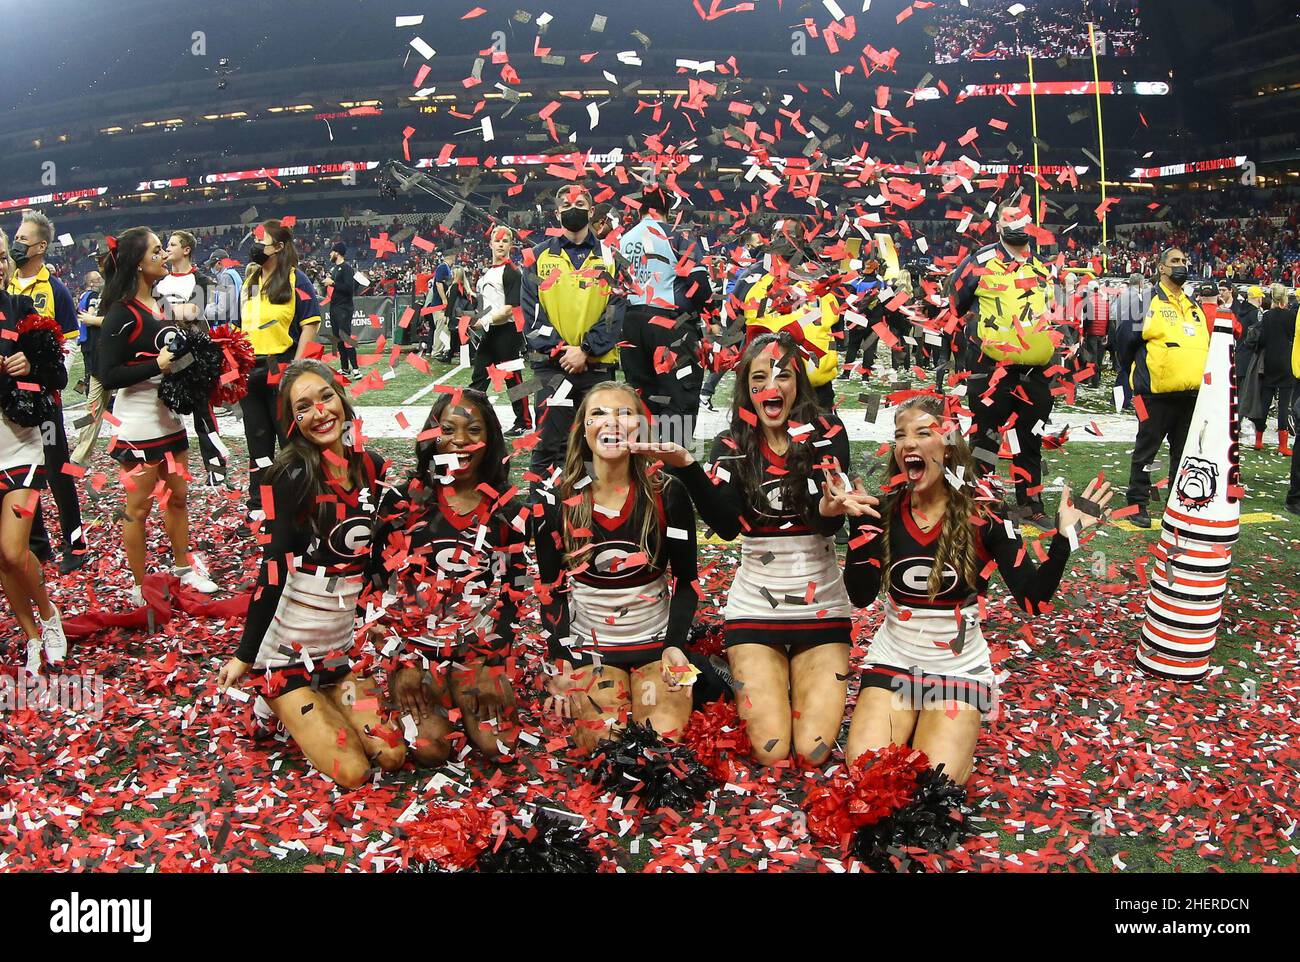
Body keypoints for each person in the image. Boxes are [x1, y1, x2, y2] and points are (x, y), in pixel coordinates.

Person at [839, 394, 1114, 783]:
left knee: (936, 785)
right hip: (893, 661)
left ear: (949, 443)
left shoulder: (987, 514)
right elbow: (861, 596)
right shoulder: (883, 510)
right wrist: (859, 528)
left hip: (959, 669)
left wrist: (1064, 541)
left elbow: (1032, 600)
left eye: (923, 432)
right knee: (868, 776)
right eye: (900, 435)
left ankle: (942, 731)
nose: (908, 444)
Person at [649, 332, 853, 767]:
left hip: (821, 608)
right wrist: (688, 470)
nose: (771, 387)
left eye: (783, 375)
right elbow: (724, 527)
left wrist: (828, 506)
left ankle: (792, 681)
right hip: (756, 610)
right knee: (770, 749)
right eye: (759, 377)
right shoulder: (732, 442)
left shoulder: (829, 432)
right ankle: (752, 676)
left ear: (799, 381)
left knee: (812, 751)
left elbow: (826, 522)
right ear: (747, 389)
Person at [217, 359, 405, 790]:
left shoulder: (372, 467)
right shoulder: (289, 477)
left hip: (338, 651)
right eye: (303, 408)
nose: (319, 413)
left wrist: (377, 616)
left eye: (325, 397)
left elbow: (380, 558)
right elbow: (273, 571)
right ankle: (277, 700)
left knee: (392, 754)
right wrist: (245, 656)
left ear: (341, 398)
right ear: (292, 421)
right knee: (354, 773)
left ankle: (315, 704)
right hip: (287, 654)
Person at [535, 382, 698, 753]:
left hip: (658, 648)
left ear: (642, 426)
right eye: (598, 413)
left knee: (659, 746)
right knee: (606, 747)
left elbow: (687, 582)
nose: (612, 422)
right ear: (583, 429)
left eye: (625, 413)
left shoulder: (668, 494)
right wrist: (560, 659)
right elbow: (551, 588)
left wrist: (675, 645)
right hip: (592, 653)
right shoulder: (556, 501)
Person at [373, 389, 528, 764]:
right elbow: (375, 584)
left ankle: (457, 685)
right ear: (431, 434)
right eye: (448, 429)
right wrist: (400, 659)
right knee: (431, 751)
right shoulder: (403, 500)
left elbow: (513, 590)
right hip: (414, 647)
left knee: (499, 747)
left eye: (473, 430)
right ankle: (426, 686)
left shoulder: (507, 507)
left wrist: (492, 662)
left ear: (489, 438)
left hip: (475, 647)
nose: (460, 441)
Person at [97, 228, 219, 605]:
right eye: (155, 250)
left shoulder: (163, 304)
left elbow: (175, 357)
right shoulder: (120, 312)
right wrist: (158, 365)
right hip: (137, 422)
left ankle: (183, 568)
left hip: (168, 417)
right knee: (138, 508)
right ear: (138, 262)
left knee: (178, 496)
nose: (162, 256)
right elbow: (107, 373)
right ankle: (137, 585)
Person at [949, 199, 1057, 526]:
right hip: (991, 368)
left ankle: (1031, 505)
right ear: (998, 226)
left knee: (1030, 438)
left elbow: (1051, 314)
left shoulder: (1042, 266)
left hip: (1034, 371)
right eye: (1011, 219)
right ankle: (981, 503)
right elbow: (955, 303)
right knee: (986, 437)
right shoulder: (980, 261)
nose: (1019, 224)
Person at [522, 184, 627, 495]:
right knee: (548, 449)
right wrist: (563, 351)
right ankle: (541, 523)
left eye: (580, 203)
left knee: (599, 448)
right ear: (557, 213)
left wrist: (585, 350)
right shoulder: (538, 257)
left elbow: (616, 311)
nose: (573, 208)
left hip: (597, 368)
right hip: (551, 369)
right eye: (566, 204)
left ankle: (594, 519)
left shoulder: (611, 258)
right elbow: (531, 316)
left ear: (591, 211)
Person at [0, 229, 69, 673]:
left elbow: (56, 377)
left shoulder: (21, 308)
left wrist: (31, 367)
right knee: (0, 558)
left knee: (11, 551)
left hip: (19, 445)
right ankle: (29, 635)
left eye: (2, 256)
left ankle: (49, 616)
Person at [6, 210, 86, 575]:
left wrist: (45, 378)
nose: (17, 243)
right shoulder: (6, 289)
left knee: (58, 469)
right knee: (21, 472)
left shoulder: (56, 290)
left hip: (45, 400)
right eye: (15, 238)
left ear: (40, 246)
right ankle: (38, 548)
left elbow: (68, 347)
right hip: (10, 400)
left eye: (23, 238)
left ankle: (76, 543)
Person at [238, 220, 322, 533]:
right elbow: (240, 327)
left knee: (290, 440)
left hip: (281, 366)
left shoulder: (295, 278)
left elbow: (310, 325)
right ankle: (259, 503)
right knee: (257, 441)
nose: (255, 244)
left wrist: (296, 370)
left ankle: (297, 499)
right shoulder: (250, 281)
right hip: (250, 368)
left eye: (262, 240)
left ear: (279, 247)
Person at [1115, 248, 1209, 529]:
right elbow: (1124, 344)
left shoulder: (1194, 305)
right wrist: (1142, 374)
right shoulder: (1144, 303)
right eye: (1175, 261)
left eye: (1184, 260)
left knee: (1183, 453)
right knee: (1146, 450)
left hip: (1189, 395)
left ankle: (1178, 502)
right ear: (1161, 268)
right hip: (1153, 394)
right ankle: (1137, 502)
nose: (1181, 265)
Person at [618, 187, 713, 442]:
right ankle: (673, 470)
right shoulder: (676, 234)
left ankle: (642, 467)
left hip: (630, 326)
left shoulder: (622, 240)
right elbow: (700, 286)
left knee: (642, 400)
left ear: (638, 208)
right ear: (668, 209)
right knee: (678, 401)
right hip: (670, 325)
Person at [156, 230, 228, 487]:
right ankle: (167, 473)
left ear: (186, 249)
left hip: (195, 355)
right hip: (164, 354)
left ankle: (216, 471)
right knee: (163, 413)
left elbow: (191, 312)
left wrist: (162, 311)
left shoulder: (202, 280)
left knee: (203, 415)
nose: (167, 248)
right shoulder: (158, 282)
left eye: (173, 244)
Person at [470, 226, 532, 437]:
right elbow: (489, 305)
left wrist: (483, 320)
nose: (501, 244)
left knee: (513, 379)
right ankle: (474, 418)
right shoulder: (488, 273)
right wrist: (475, 318)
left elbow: (509, 309)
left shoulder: (512, 272)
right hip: (491, 332)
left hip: (508, 333)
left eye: (505, 241)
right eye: (497, 241)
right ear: (490, 244)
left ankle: (524, 421)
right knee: (479, 377)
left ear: (510, 245)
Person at [1250, 284, 1295, 455]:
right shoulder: (1291, 316)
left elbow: (1261, 340)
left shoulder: (1266, 316)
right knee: (1284, 405)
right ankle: (1282, 445)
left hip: (1269, 362)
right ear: (1285, 297)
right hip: (1286, 363)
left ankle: (1258, 440)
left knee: (1265, 400)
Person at [70, 270, 107, 466]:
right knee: (94, 402)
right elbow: (89, 317)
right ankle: (80, 452)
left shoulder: (85, 295)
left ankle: (80, 449)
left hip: (88, 347)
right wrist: (94, 319)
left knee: (92, 400)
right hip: (97, 351)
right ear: (93, 282)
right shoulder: (93, 296)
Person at [324, 243, 358, 377]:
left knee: (345, 337)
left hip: (344, 308)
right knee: (338, 339)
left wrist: (332, 283)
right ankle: (345, 368)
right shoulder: (335, 269)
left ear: (337, 252)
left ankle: (355, 368)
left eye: (331, 252)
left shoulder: (346, 268)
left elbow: (350, 289)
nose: (329, 254)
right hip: (334, 307)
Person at [421, 250, 454, 358]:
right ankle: (436, 351)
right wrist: (444, 299)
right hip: (439, 304)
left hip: (440, 304)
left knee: (445, 326)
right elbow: (439, 283)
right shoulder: (442, 267)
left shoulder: (447, 268)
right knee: (440, 326)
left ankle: (443, 349)